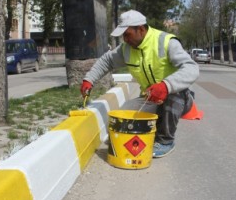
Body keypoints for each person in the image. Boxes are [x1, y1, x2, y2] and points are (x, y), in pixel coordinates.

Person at [80, 10, 199, 158]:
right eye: (123, 36)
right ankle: (154, 126)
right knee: (122, 118)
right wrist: (89, 79)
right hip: (151, 98)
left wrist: (166, 85)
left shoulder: (166, 42)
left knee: (172, 96)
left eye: (127, 34)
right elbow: (107, 61)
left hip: (178, 96)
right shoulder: (126, 49)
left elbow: (192, 68)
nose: (125, 39)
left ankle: (165, 140)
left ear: (141, 29)